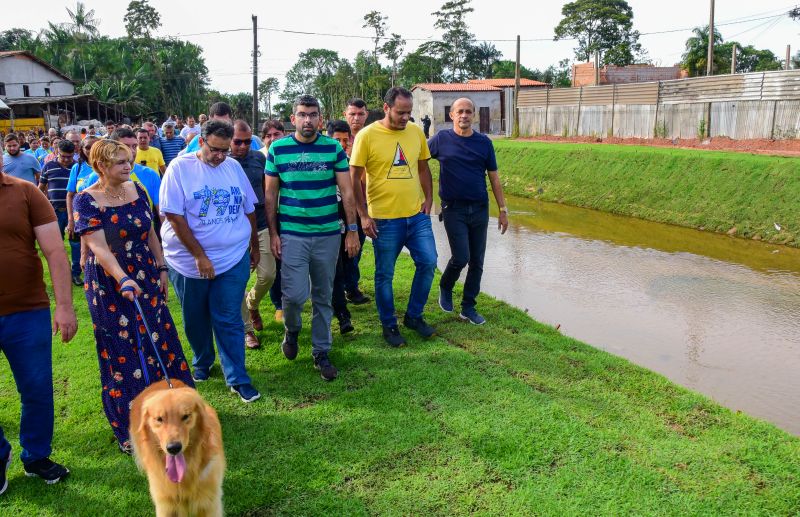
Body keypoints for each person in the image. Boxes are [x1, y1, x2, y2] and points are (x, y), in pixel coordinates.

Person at [72, 139, 194, 454]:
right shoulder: (87, 201)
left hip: (145, 273)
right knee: (123, 349)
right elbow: (97, 248)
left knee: (159, 338)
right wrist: (123, 277)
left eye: (128, 160)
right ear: (100, 166)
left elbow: (151, 231)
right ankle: (132, 426)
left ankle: (175, 413)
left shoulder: (137, 190)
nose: (128, 166)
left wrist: (162, 268)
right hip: (109, 282)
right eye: (119, 163)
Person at [159, 119, 262, 402]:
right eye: (215, 149)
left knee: (228, 316)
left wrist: (254, 246)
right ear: (201, 141)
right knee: (195, 317)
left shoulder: (232, 167)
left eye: (225, 150)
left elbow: (248, 209)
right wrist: (199, 256)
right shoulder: (180, 168)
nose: (220, 156)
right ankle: (202, 361)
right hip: (188, 262)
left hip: (232, 258)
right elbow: (174, 217)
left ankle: (237, 377)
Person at [265, 95, 360, 381]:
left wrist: (352, 230)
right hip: (292, 234)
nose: (308, 120)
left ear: (320, 118)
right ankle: (292, 331)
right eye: (302, 115)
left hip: (328, 234)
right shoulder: (278, 150)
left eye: (313, 114)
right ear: (292, 119)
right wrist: (273, 233)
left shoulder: (333, 148)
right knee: (293, 297)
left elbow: (347, 192)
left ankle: (321, 351)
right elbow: (270, 195)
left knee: (323, 295)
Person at [0, 151, 77, 491]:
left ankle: (35, 455)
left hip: (26, 310)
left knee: (36, 389)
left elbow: (55, 252)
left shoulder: (26, 191)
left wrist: (64, 306)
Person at [350, 87, 437, 347]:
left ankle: (414, 316)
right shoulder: (367, 136)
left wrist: (429, 199)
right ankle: (389, 325)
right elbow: (354, 178)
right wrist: (363, 215)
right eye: (401, 112)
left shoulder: (415, 132)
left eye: (409, 112)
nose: (405, 118)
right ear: (386, 108)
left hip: (416, 216)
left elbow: (423, 167)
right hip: (384, 221)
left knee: (429, 262)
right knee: (384, 274)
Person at [429, 98, 509, 325]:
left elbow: (494, 177)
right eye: (460, 111)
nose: (464, 115)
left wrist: (503, 210)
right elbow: (417, 158)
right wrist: (424, 194)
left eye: (468, 112)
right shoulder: (441, 140)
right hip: (453, 209)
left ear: (473, 115)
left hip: (480, 209)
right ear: (452, 115)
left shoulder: (484, 143)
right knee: (461, 256)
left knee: (477, 261)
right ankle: (446, 285)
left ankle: (468, 307)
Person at [230, 120, 275, 349]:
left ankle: (253, 302)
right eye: (238, 141)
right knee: (238, 281)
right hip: (233, 229)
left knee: (268, 275)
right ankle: (247, 330)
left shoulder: (259, 158)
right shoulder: (222, 162)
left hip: (261, 223)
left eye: (247, 141)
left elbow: (269, 189)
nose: (243, 146)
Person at [326, 120, 356, 334]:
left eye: (346, 140)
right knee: (335, 271)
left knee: (344, 268)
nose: (343, 144)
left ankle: (340, 303)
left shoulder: (349, 161)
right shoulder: (322, 162)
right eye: (338, 140)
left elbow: (351, 196)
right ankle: (342, 314)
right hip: (328, 226)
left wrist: (352, 228)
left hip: (347, 224)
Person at [341, 99, 371, 306]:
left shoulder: (371, 137)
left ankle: (351, 286)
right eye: (352, 114)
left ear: (366, 115)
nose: (356, 118)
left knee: (357, 245)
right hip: (340, 204)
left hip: (365, 201)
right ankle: (342, 286)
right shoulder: (339, 139)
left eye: (360, 114)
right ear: (345, 114)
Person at [259, 120, 287, 321]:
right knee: (274, 260)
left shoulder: (288, 153)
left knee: (287, 258)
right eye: (268, 135)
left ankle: (288, 299)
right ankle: (278, 303)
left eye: (276, 134)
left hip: (287, 212)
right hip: (267, 215)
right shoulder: (258, 157)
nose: (272, 138)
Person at [65, 137, 100, 286]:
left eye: (94, 147)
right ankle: (77, 273)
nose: (91, 150)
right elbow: (70, 194)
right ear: (82, 150)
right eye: (87, 147)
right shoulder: (77, 168)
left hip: (102, 215)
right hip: (82, 216)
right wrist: (71, 219)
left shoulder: (106, 165)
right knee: (79, 246)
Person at [38, 139, 75, 239]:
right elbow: (40, 189)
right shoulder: (48, 166)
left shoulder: (77, 167)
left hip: (73, 211)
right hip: (54, 211)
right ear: (57, 151)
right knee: (55, 242)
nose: (66, 159)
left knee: (75, 242)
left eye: (69, 156)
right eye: (63, 156)